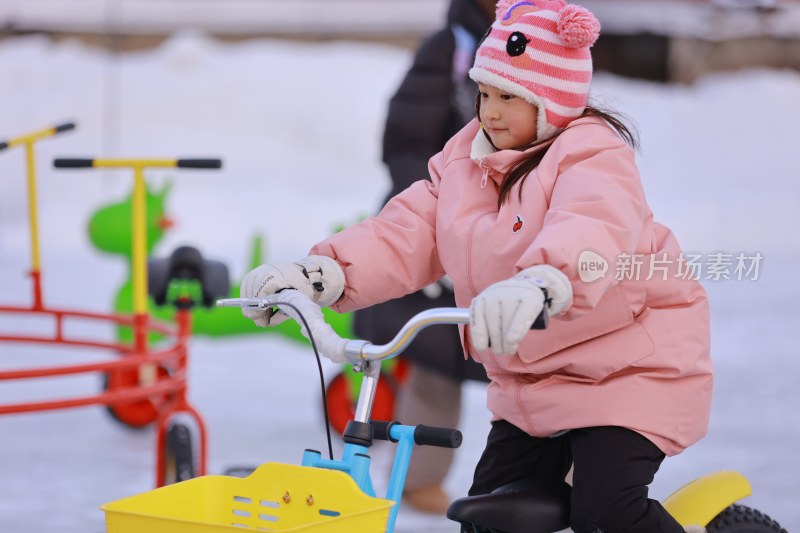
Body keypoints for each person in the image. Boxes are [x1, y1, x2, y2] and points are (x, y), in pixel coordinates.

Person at [240, 1, 713, 531]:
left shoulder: (591, 157)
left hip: (627, 374)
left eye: (508, 96)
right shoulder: (464, 162)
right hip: (534, 385)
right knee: (488, 514)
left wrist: (542, 282)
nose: (489, 110)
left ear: (552, 100)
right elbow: (406, 232)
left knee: (605, 511)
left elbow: (591, 228)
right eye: (484, 93)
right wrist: (321, 274)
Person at [351, 0, 497, 514]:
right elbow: (406, 138)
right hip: (438, 231)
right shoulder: (453, 46)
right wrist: (439, 211)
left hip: (498, 232)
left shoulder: (521, 42)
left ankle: (551, 488)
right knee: (439, 357)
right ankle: (418, 480)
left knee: (534, 362)